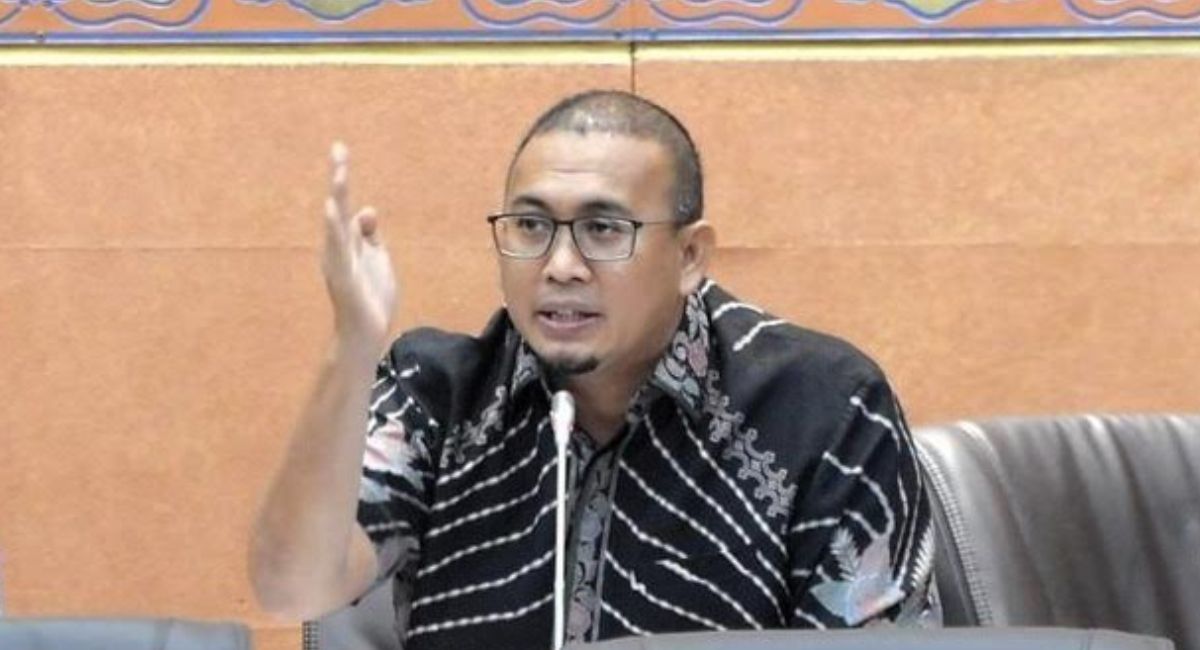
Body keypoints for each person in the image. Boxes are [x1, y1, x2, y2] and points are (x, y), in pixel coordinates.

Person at [250, 90, 939, 649]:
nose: (560, 266)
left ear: (691, 257)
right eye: (531, 226)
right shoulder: (438, 394)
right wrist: (352, 346)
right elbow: (291, 589)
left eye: (603, 230)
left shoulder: (824, 410)